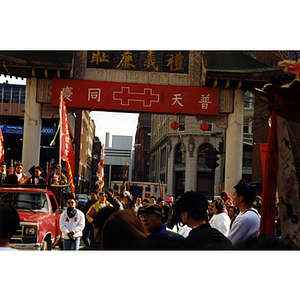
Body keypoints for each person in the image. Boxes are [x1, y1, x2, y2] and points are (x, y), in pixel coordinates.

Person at [227, 181, 261, 246]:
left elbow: (230, 243)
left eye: (234, 194)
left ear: (241, 198)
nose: (233, 197)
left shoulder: (244, 219)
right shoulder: (252, 214)